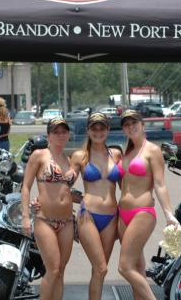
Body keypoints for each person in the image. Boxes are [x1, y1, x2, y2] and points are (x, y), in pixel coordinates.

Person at [117, 109, 179, 300]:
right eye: (126, 124)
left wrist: (168, 213)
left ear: (143, 125)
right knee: (137, 267)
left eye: (134, 123)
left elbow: (160, 185)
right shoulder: (126, 152)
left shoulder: (152, 150)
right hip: (122, 215)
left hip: (142, 213)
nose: (130, 127)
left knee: (124, 267)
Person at [21, 117, 76, 300]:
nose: (60, 135)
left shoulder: (68, 159)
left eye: (64, 132)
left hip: (67, 222)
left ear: (68, 134)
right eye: (56, 132)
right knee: (52, 269)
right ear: (48, 135)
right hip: (45, 220)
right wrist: (25, 216)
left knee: (60, 271)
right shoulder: (39, 155)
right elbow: (26, 186)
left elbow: (67, 191)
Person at [70, 112, 121, 300]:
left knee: (99, 272)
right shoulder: (80, 156)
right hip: (88, 216)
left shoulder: (115, 154)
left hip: (111, 217)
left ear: (108, 130)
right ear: (88, 130)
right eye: (94, 128)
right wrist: (76, 199)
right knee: (101, 267)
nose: (98, 132)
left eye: (102, 128)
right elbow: (62, 185)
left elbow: (127, 186)